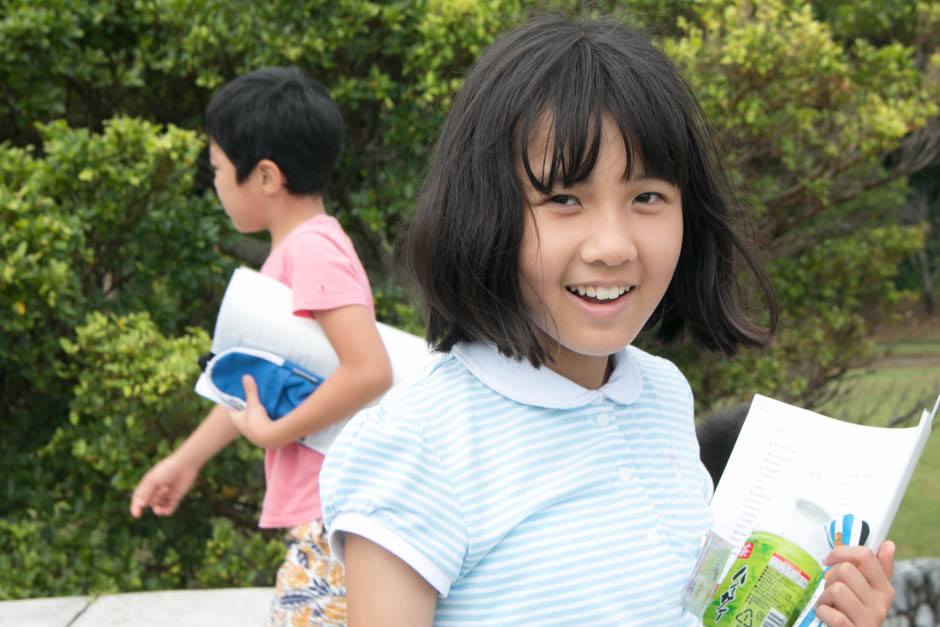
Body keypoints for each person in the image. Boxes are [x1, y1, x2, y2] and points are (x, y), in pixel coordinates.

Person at [318, 16, 896, 626]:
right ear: (482, 211)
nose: (613, 245)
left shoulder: (663, 395)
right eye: (564, 199)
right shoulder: (418, 443)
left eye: (647, 196)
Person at [129, 66, 393, 627]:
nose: (216, 184)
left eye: (220, 170)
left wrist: (275, 432)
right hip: (325, 519)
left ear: (266, 176)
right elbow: (259, 392)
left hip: (337, 518)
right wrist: (185, 461)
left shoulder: (314, 252)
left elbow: (369, 370)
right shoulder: (295, 255)